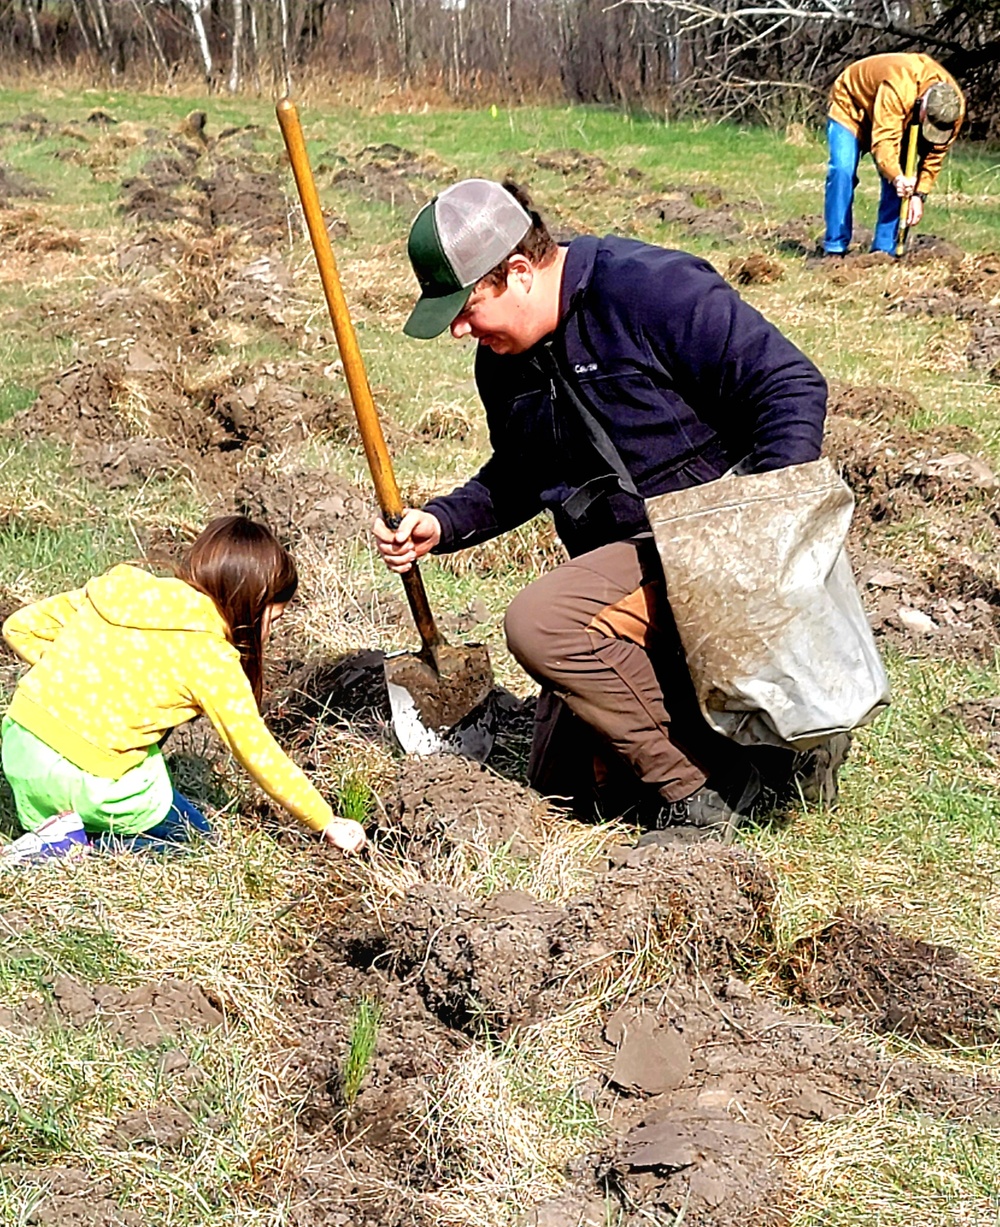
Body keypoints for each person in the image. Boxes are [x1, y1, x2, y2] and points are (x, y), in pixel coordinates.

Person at [374, 179, 830, 833]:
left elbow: (787, 382)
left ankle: (709, 791)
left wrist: (760, 530)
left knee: (541, 623)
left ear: (520, 272)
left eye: (467, 306)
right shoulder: (502, 362)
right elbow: (522, 473)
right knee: (564, 788)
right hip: (636, 567)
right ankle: (745, 743)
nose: (458, 329)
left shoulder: (650, 291)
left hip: (715, 545)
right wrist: (439, 522)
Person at [1, 515, 367, 859]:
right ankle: (76, 846)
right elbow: (258, 753)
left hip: (20, 747)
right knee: (194, 838)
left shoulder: (123, 586)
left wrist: (79, 675)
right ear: (252, 604)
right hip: (87, 781)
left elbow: (19, 627)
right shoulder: (211, 657)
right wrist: (325, 820)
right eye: (273, 618)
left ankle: (51, 826)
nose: (269, 633)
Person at [824, 52, 965, 257]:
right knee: (842, 171)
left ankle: (884, 252)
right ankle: (835, 247)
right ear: (923, 106)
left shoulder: (954, 109)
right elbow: (884, 142)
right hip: (852, 107)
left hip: (904, 118)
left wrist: (919, 194)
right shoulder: (899, 87)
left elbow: (935, 154)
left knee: (902, 187)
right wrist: (897, 176)